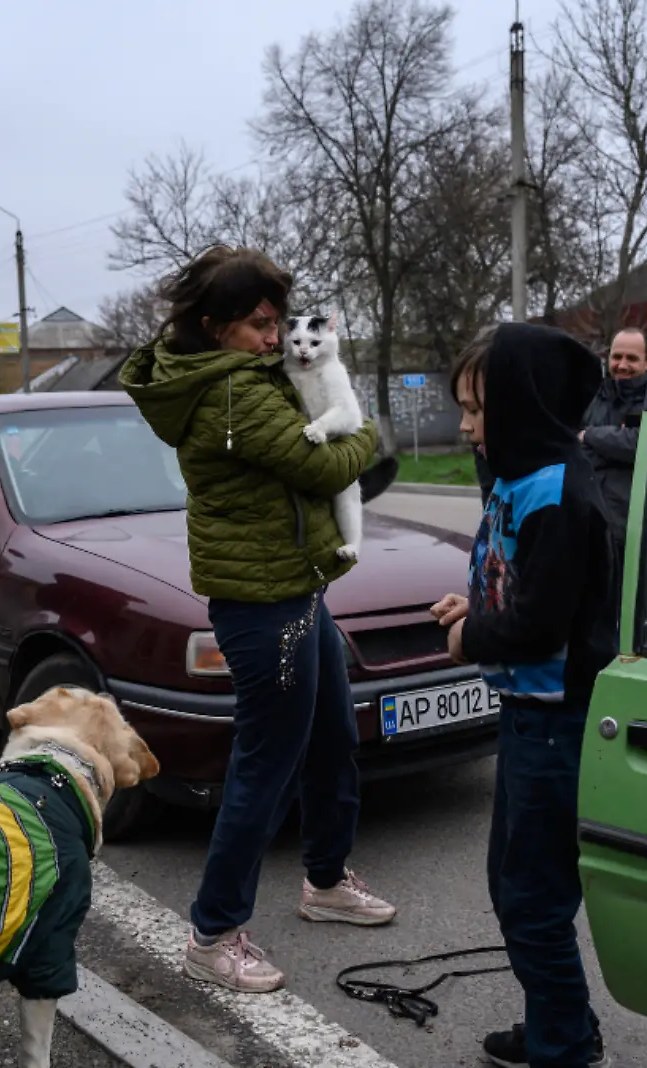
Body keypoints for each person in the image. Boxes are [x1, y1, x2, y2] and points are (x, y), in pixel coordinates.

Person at [119, 246, 392, 994]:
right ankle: (212, 933)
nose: (274, 339)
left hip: (296, 588)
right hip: (261, 607)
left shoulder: (246, 376)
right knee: (266, 765)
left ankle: (327, 882)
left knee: (334, 738)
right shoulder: (234, 393)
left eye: (278, 323)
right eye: (259, 325)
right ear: (215, 327)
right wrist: (368, 431)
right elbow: (330, 466)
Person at [432, 323, 616, 1068]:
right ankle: (562, 1026)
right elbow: (517, 589)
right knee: (513, 892)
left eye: (479, 408)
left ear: (523, 403)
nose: (466, 424)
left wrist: (471, 638)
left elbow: (540, 626)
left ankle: (564, 1047)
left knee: (534, 903)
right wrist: (470, 610)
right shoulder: (517, 477)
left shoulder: (561, 493)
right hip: (525, 718)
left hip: (555, 725)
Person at [578, 326, 647, 553]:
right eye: (616, 357)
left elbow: (640, 445)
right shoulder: (593, 394)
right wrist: (614, 441)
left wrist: (591, 435)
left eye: (632, 358)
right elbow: (572, 441)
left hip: (630, 524)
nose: (622, 365)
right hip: (586, 515)